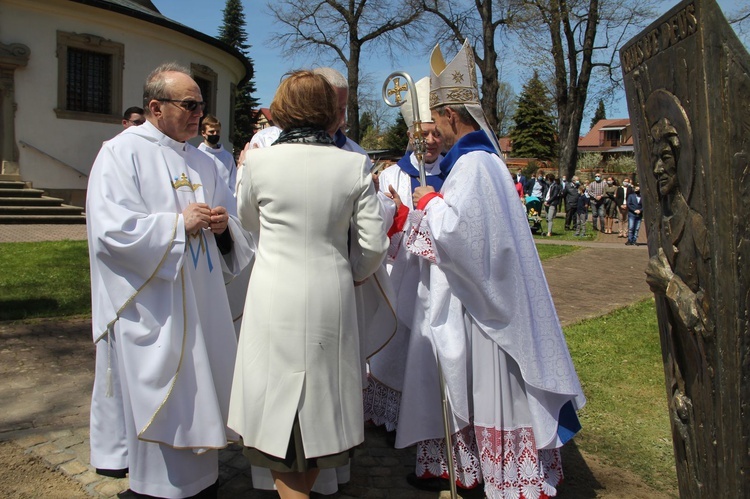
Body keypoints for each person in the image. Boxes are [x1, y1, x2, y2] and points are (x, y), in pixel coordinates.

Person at [395, 40, 585, 498]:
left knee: (492, 388)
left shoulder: (475, 165)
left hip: (486, 313)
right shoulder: (484, 162)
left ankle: (512, 480)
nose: (435, 130)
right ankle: (491, 469)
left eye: (438, 119)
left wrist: (429, 204)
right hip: (488, 299)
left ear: (452, 115)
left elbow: (463, 238)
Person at [86, 62, 254, 498]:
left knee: (204, 386)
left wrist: (222, 228)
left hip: (201, 300)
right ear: (156, 107)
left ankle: (204, 482)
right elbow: (111, 232)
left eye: (201, 104)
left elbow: (233, 228)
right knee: (164, 398)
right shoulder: (121, 153)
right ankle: (154, 489)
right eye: (190, 104)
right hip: (153, 305)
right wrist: (178, 225)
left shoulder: (203, 160)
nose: (199, 112)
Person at [228, 70, 388, 499]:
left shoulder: (259, 162)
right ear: (327, 112)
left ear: (282, 109)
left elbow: (247, 221)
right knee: (322, 405)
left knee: (274, 400)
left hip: (273, 292)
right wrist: (350, 271)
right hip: (328, 294)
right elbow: (373, 245)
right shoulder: (354, 164)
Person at [364, 76, 445, 432]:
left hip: (444, 278)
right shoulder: (393, 175)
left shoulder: (456, 171)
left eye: (435, 133)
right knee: (397, 344)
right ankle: (392, 414)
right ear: (411, 135)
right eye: (422, 134)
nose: (429, 140)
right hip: (402, 274)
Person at [198, 114, 237, 195]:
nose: (215, 134)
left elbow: (233, 183)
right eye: (211, 132)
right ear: (203, 133)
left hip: (224, 202)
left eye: (217, 131)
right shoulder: (197, 154)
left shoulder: (227, 157)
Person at [544, 172, 562, 236]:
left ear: (549, 179)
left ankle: (549, 232)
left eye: (547, 179)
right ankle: (548, 230)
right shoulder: (547, 185)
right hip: (546, 202)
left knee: (550, 218)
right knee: (547, 218)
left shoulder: (555, 186)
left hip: (552, 203)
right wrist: (544, 200)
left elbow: (554, 196)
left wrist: (548, 202)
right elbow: (545, 193)